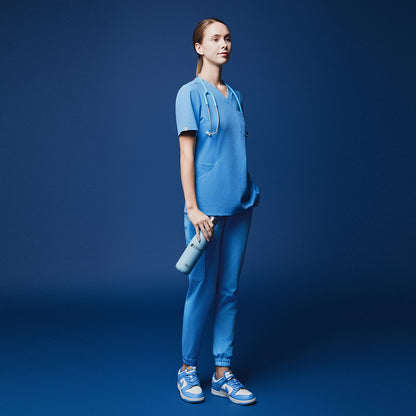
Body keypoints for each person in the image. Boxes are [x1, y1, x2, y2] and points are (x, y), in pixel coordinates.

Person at [175, 18, 260, 406]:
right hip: (205, 210)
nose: (224, 44)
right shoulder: (189, 94)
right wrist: (192, 207)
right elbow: (187, 154)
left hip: (240, 204)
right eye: (215, 39)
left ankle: (223, 372)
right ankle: (188, 369)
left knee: (229, 290)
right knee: (201, 288)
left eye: (227, 38)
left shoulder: (236, 95)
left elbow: (234, 151)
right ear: (199, 47)